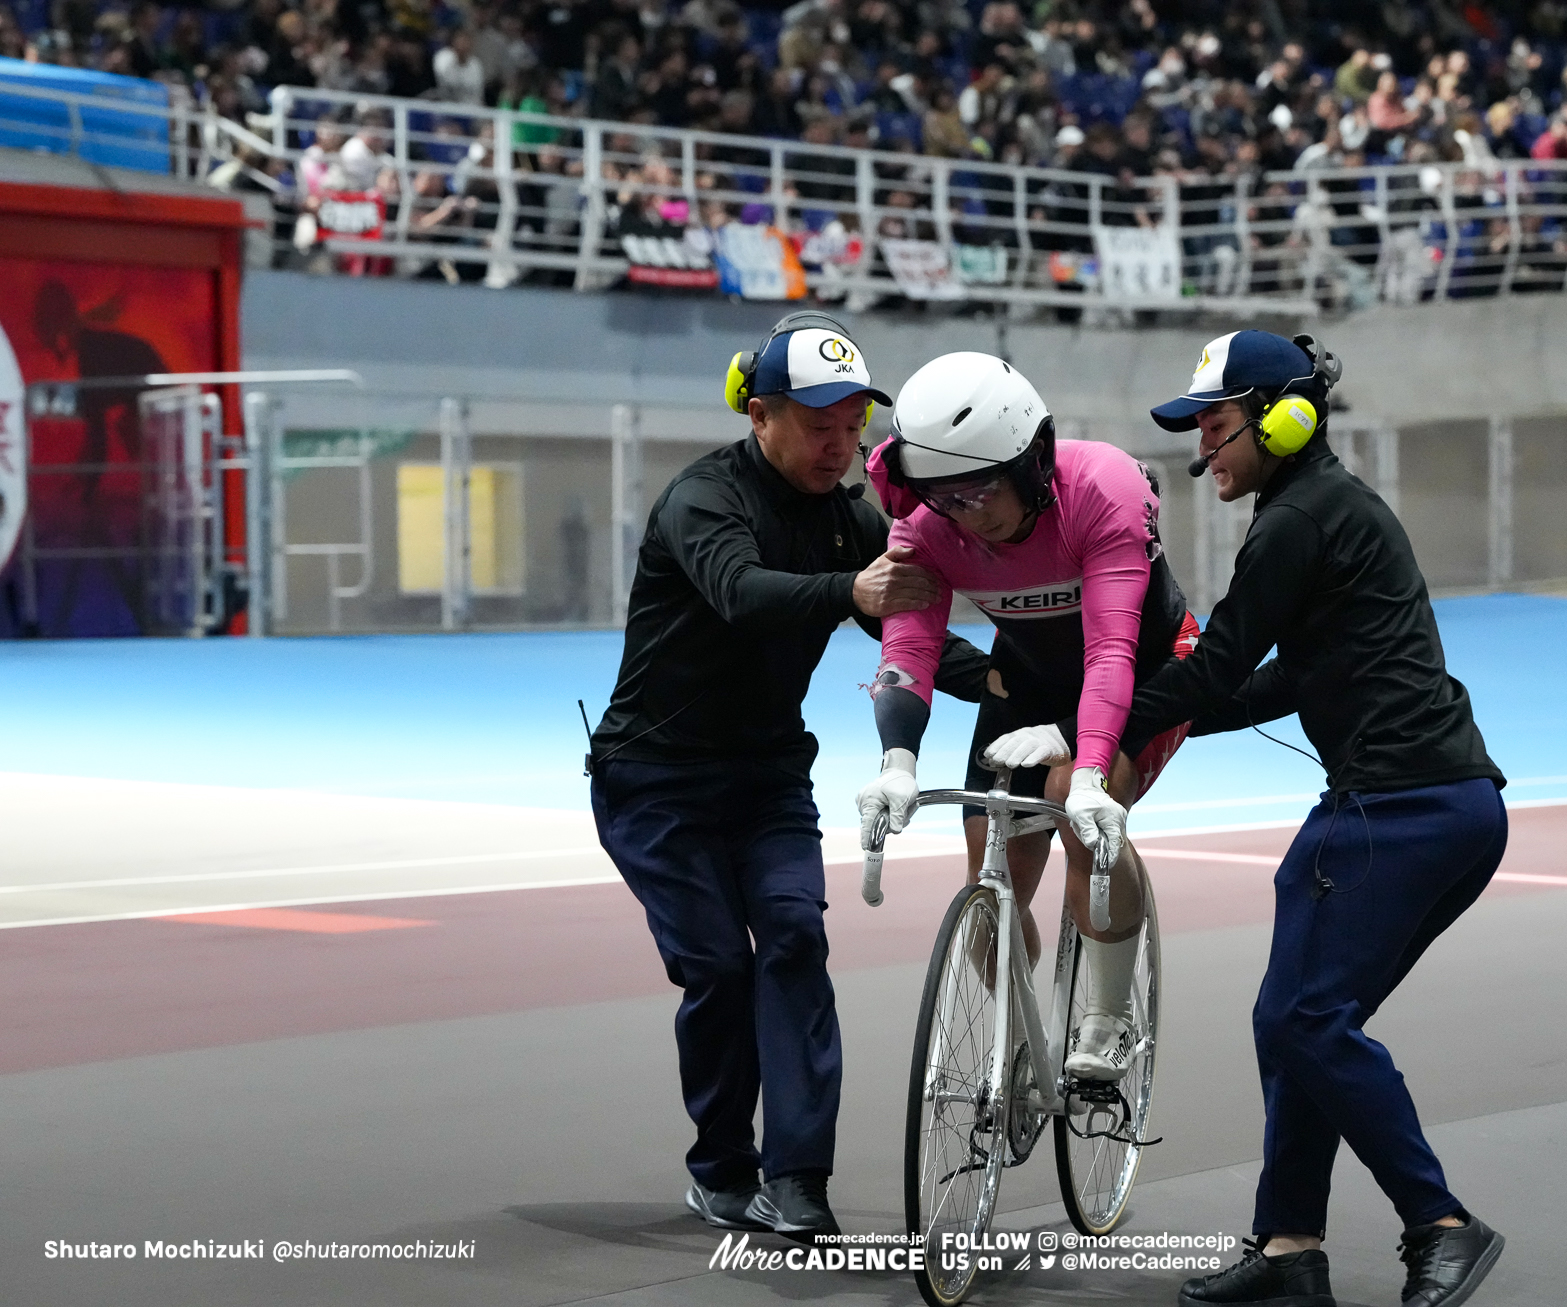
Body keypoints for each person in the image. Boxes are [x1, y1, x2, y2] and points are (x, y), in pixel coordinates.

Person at [1004, 331, 1509, 1307]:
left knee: (1302, 1017)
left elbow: (1219, 665)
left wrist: (1085, 725)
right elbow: (1279, 680)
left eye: (1217, 423)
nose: (1203, 446)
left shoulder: (1294, 521)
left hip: (1398, 807)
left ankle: (1441, 1222)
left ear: (1285, 418)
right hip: (1442, 806)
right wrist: (1152, 712)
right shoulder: (1330, 507)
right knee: (1300, 1023)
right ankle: (1288, 1248)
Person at [587, 312, 991, 1243]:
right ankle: (722, 1167)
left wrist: (1012, 679)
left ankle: (799, 1178)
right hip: (654, 781)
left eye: (853, 425)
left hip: (768, 779)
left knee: (796, 940)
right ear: (759, 413)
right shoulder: (702, 500)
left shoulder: (848, 518)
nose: (840, 446)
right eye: (819, 425)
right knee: (719, 967)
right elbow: (742, 592)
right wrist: (853, 589)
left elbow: (909, 629)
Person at [854, 352, 1198, 1080]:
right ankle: (1026, 1040)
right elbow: (908, 650)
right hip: (1031, 679)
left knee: (1076, 804)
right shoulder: (924, 524)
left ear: (1033, 460)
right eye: (944, 498)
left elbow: (1111, 650)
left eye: (981, 490)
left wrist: (1092, 768)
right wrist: (896, 762)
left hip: (1145, 667)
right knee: (989, 888)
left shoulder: (1101, 487)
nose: (966, 515)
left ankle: (1108, 1015)